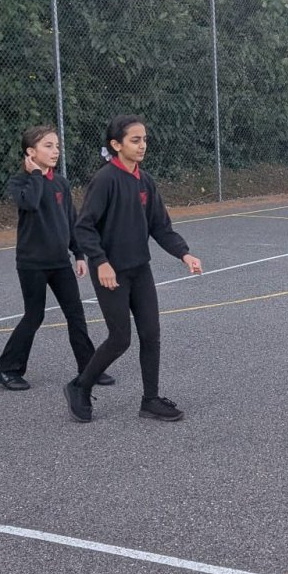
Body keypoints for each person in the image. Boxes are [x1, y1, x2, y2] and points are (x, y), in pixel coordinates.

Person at [67, 115, 201, 423]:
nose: (142, 145)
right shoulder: (105, 180)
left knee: (151, 334)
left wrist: (184, 254)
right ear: (116, 145)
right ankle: (80, 386)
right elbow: (84, 227)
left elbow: (160, 226)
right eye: (135, 140)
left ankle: (150, 400)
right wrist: (100, 261)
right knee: (120, 338)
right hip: (111, 272)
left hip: (140, 269)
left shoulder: (145, 181)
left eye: (144, 140)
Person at [0, 125, 114, 391]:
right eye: (48, 146)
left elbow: (70, 220)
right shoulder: (20, 182)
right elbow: (30, 203)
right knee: (34, 316)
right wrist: (36, 174)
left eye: (56, 146)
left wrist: (78, 253)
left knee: (76, 314)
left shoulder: (61, 183)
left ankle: (89, 368)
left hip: (60, 262)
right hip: (32, 263)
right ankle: (7, 369)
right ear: (30, 152)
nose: (55, 151)